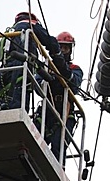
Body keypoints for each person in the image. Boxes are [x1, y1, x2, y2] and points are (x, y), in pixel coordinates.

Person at [34, 31, 83, 165]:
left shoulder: (75, 69)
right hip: (47, 110)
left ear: (70, 50)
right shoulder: (46, 67)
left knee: (58, 146)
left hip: (65, 113)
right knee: (36, 142)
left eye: (66, 48)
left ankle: (57, 172)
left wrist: (61, 70)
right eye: (60, 47)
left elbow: (74, 85)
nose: (63, 50)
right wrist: (48, 79)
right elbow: (37, 84)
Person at [0, 11, 62, 111]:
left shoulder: (10, 32)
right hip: (21, 68)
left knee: (7, 98)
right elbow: (49, 41)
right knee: (20, 101)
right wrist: (58, 54)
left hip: (5, 71)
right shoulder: (31, 24)